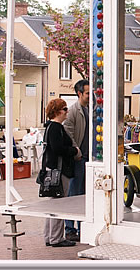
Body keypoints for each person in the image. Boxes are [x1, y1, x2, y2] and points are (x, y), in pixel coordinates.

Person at [42, 98, 80, 247]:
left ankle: (49, 236)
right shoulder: (56, 128)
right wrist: (74, 150)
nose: (67, 112)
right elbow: (58, 148)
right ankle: (56, 238)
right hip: (59, 170)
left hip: (52, 169)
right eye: (64, 109)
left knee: (52, 203)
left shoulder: (50, 127)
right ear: (58, 112)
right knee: (59, 203)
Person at [62, 79, 90, 242]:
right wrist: (76, 152)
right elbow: (68, 134)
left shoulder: (89, 109)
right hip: (78, 159)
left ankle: (81, 227)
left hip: (87, 158)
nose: (90, 95)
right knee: (74, 194)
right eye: (87, 93)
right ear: (79, 93)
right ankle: (70, 228)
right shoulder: (73, 111)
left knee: (84, 194)